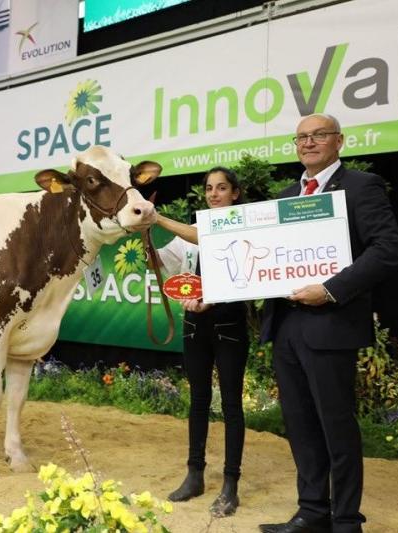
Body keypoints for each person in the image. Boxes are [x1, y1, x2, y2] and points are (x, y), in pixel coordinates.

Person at [258, 114, 398, 533]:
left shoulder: (361, 187)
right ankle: (312, 512)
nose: (308, 143)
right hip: (286, 325)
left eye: (318, 135)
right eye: (301, 137)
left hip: (332, 321)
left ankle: (346, 520)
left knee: (336, 427)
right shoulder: (286, 195)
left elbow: (388, 250)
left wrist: (331, 288)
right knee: (300, 426)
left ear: (339, 141)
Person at [156, 167, 249, 518]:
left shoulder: (240, 227)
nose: (214, 193)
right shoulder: (188, 235)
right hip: (195, 326)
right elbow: (164, 262)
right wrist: (144, 237)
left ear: (234, 194)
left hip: (229, 327)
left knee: (231, 406)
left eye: (222, 188)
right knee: (197, 402)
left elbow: (207, 240)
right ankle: (194, 475)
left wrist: (159, 218)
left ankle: (230, 485)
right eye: (209, 188)